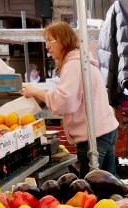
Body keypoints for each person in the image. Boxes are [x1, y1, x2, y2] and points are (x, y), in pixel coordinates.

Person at [22, 22, 119, 176]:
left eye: (50, 41)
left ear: (63, 40)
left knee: (91, 189)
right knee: (107, 185)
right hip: (105, 130)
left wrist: (35, 91)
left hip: (94, 136)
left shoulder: (73, 65)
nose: (47, 46)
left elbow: (64, 100)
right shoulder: (81, 61)